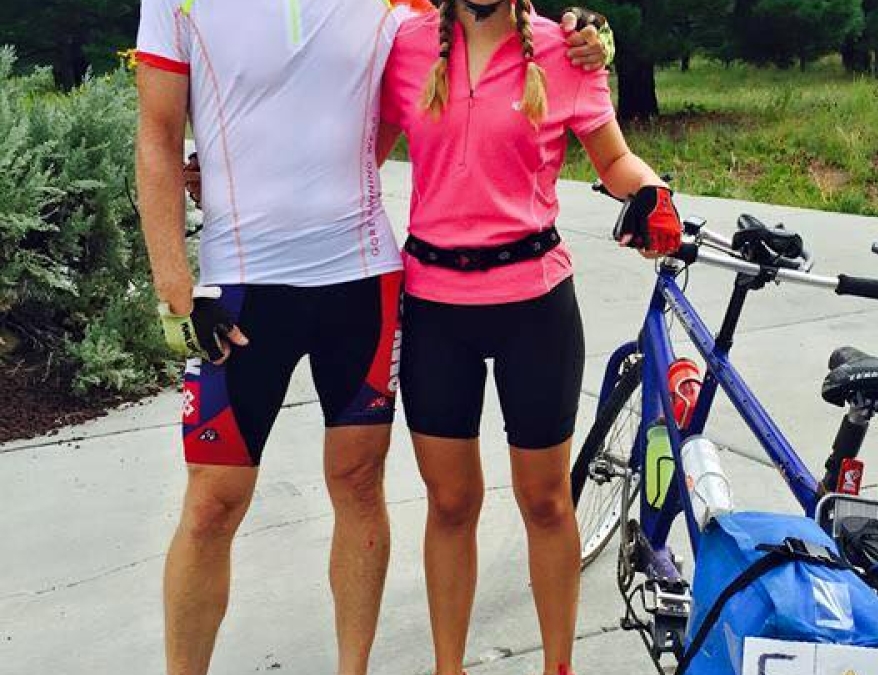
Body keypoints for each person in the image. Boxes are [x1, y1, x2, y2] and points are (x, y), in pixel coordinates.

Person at [133, 0, 610, 672]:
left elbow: (478, 24)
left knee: (358, 485)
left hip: (360, 277)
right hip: (237, 288)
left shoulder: (394, 3)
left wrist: (581, 26)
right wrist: (177, 291)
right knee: (212, 503)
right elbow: (155, 135)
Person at [375, 1, 682, 673]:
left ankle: (558, 665)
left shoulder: (564, 51)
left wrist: (656, 198)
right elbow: (351, 156)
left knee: (545, 500)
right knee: (451, 501)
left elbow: (615, 161)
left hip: (534, 305)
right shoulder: (403, 45)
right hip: (435, 307)